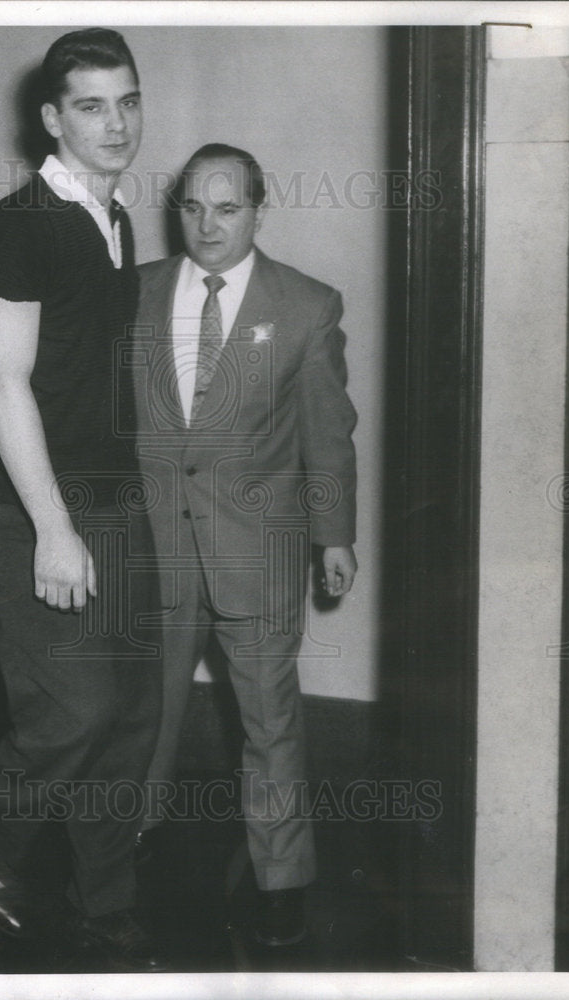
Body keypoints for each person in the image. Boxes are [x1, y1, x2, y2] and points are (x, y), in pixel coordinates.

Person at [0, 28, 166, 972]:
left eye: (127, 100)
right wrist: (54, 529)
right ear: (52, 118)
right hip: (28, 512)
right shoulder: (19, 225)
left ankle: (105, 896)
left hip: (115, 502)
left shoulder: (114, 217)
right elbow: (7, 385)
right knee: (73, 712)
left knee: (129, 713)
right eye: (92, 105)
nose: (115, 122)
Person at [132, 144, 357, 947]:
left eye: (226, 208)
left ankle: (281, 877)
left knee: (268, 717)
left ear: (258, 209)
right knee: (145, 709)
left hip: (257, 549)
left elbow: (327, 437)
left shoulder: (305, 305)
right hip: (151, 543)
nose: (207, 224)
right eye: (192, 206)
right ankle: (134, 837)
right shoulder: (135, 292)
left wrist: (333, 535)